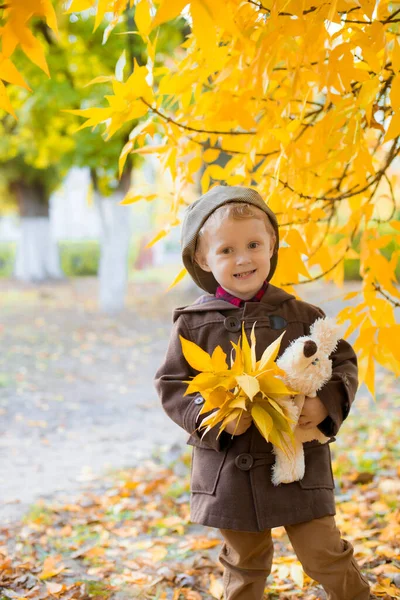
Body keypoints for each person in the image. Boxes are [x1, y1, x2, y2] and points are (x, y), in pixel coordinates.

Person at [154, 186, 370, 600]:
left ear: (271, 245)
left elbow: (342, 363)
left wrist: (321, 404)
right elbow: (172, 384)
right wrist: (213, 418)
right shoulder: (192, 325)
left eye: (254, 244)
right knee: (244, 564)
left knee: (324, 553)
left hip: (297, 463)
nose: (243, 258)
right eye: (226, 250)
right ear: (203, 259)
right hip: (230, 469)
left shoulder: (302, 315)